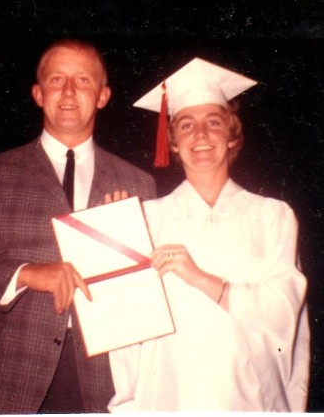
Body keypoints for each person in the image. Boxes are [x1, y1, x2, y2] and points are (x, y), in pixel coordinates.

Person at [0, 39, 156, 414]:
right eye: (56, 80)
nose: (69, 91)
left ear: (103, 96)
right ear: (38, 94)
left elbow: (146, 296)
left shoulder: (139, 183)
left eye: (83, 80)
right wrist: (25, 274)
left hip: (106, 380)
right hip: (10, 372)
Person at [108, 57, 310, 412]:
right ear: (171, 142)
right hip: (167, 399)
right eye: (186, 125)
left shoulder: (271, 216)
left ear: (232, 136)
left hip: (249, 398)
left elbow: (283, 313)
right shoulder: (146, 219)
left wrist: (201, 279)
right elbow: (124, 330)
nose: (200, 135)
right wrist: (111, 232)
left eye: (213, 122)